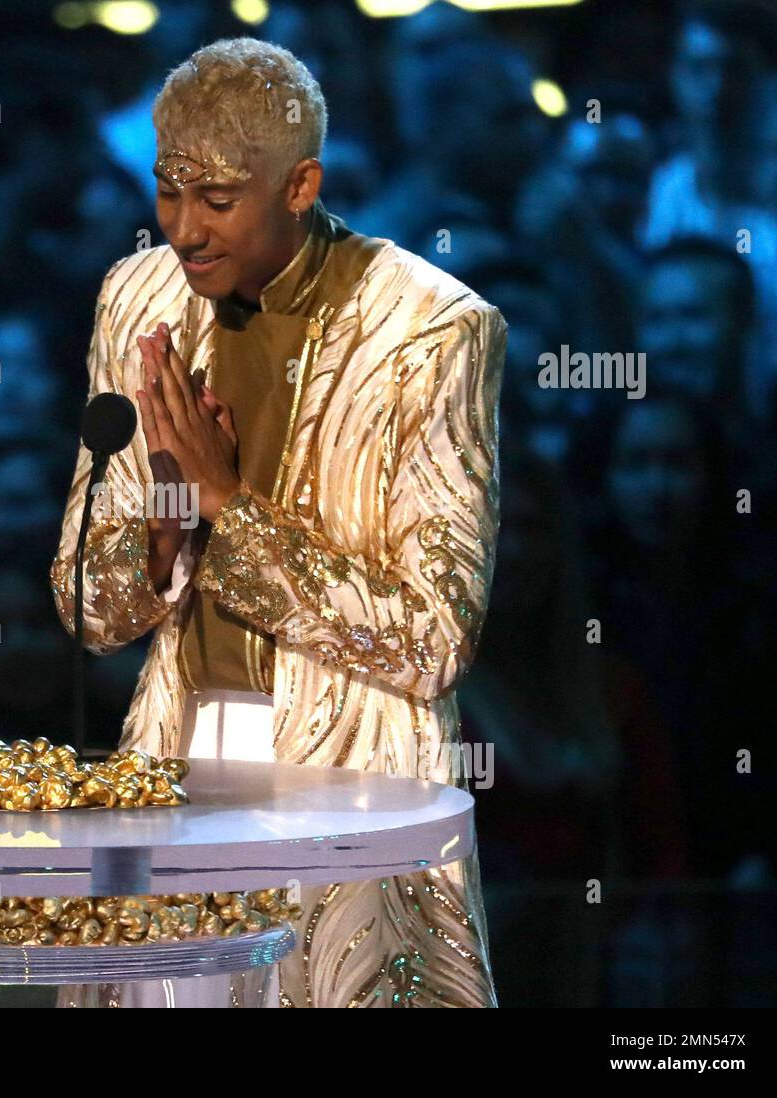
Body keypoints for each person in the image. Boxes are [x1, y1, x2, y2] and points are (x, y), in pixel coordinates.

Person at [50, 38, 508, 1008]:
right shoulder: (136, 301)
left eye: (216, 199)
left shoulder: (430, 332)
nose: (182, 229)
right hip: (179, 777)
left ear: (300, 184)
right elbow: (90, 612)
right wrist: (170, 522)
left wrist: (228, 509)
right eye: (167, 192)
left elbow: (431, 637)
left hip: (351, 788)